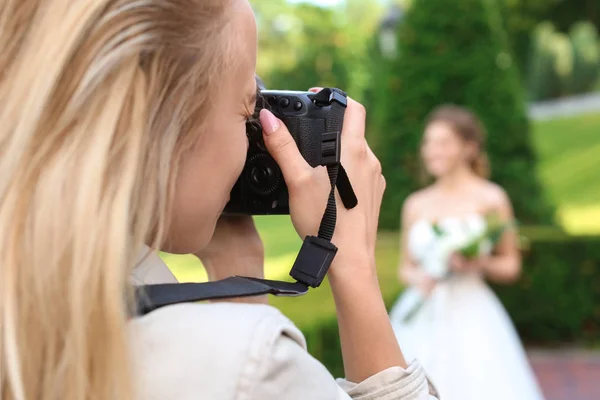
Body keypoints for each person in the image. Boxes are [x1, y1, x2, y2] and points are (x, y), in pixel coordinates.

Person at [0, 1, 438, 399]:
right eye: (248, 111)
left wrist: (239, 271)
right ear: (167, 129)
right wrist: (352, 265)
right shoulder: (253, 368)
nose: (252, 143)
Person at [389, 105, 545, 399]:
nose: (432, 151)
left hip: (473, 312)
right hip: (423, 310)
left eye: (443, 142)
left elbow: (511, 265)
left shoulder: (491, 198)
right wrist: (420, 278)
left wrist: (478, 262)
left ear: (468, 148)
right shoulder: (415, 204)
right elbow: (404, 268)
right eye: (428, 142)